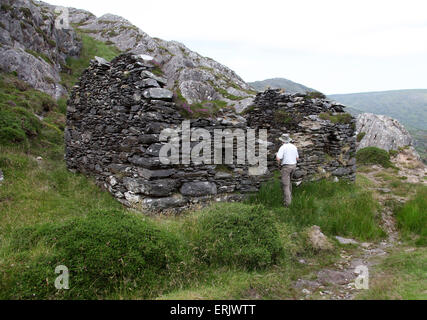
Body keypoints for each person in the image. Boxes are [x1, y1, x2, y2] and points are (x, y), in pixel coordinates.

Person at [276, 134, 299, 207]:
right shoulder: (294, 146)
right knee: (289, 182)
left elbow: (278, 158)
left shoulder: (282, 147)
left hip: (286, 167)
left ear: (282, 141)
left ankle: (287, 204)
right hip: (294, 166)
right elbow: (297, 158)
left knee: (285, 185)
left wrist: (279, 165)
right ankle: (290, 197)